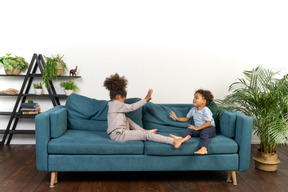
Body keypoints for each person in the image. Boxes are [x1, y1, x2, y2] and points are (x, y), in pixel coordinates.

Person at [104, 73, 190, 148]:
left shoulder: (113, 105)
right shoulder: (115, 104)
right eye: (123, 100)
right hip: (119, 135)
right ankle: (174, 142)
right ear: (118, 96)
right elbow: (132, 107)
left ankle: (144, 131)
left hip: (119, 133)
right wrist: (145, 99)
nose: (124, 103)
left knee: (128, 119)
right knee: (146, 135)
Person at [169, 89, 216, 154]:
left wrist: (196, 128)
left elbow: (208, 123)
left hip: (210, 129)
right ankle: (181, 138)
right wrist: (176, 118)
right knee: (190, 128)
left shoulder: (206, 110)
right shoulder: (193, 109)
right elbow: (186, 119)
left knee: (204, 131)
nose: (194, 99)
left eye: (196, 98)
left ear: (203, 101)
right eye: (194, 97)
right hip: (199, 129)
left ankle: (203, 149)